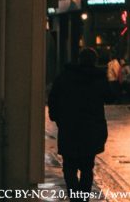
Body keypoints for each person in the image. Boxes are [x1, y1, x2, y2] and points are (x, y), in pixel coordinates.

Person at [48, 48, 109, 202]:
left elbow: (53, 98)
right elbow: (111, 96)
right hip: (91, 131)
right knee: (87, 168)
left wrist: (57, 118)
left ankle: (75, 197)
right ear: (94, 61)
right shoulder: (98, 78)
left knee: (69, 167)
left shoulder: (65, 77)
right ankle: (83, 198)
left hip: (69, 129)